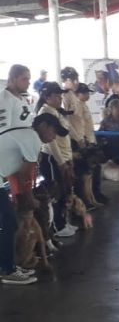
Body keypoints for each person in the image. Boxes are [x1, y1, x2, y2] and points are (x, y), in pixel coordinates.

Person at [0, 114, 63, 285]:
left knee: (9, 222)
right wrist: (29, 198)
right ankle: (7, 270)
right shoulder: (32, 138)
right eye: (54, 131)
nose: (54, 137)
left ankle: (8, 266)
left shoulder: (26, 134)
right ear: (43, 125)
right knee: (8, 222)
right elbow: (24, 175)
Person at [36, 82, 76, 238]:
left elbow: (64, 137)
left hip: (63, 157)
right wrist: (61, 162)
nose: (60, 99)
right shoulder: (45, 113)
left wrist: (68, 158)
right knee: (55, 192)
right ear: (47, 97)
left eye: (61, 96)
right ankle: (57, 226)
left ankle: (63, 221)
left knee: (64, 191)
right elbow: (51, 142)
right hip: (53, 159)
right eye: (56, 96)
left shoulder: (56, 112)